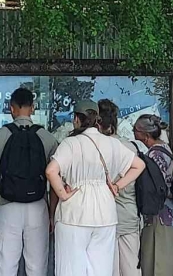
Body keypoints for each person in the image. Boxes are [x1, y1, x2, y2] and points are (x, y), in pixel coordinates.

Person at [47, 99, 147, 276]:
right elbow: (139, 165)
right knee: (100, 270)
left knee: (71, 269)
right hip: (105, 212)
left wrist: (63, 194)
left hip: (74, 213)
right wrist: (116, 186)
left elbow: (51, 171)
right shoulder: (112, 143)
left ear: (76, 119)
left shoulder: (70, 143)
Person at [0, 87, 60, 276]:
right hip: (37, 207)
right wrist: (51, 214)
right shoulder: (48, 139)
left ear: (12, 108)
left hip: (7, 207)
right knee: (37, 266)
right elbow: (55, 182)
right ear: (32, 108)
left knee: (6, 266)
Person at [133, 114, 173, 276]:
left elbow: (161, 186)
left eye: (135, 130)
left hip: (161, 215)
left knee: (159, 260)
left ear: (145, 135)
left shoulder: (154, 155)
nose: (133, 132)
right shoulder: (165, 148)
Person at [98, 99, 143, 276]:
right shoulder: (129, 147)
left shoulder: (94, 147)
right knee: (131, 268)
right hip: (128, 215)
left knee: (108, 269)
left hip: (102, 217)